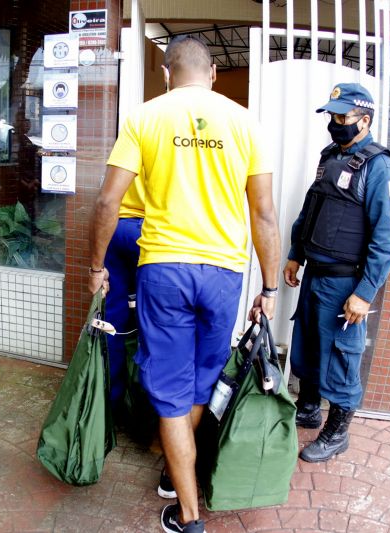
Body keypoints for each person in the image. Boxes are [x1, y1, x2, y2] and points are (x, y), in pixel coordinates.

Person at [88, 36, 281, 533]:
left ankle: (190, 515)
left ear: (168, 71)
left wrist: (96, 266)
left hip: (165, 269)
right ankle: (176, 480)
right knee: (199, 382)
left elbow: (108, 202)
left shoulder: (145, 117)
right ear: (213, 73)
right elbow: (263, 213)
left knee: (172, 391)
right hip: (224, 274)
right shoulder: (245, 123)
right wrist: (271, 288)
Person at [284, 83, 390, 463]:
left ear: (364, 121)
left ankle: (337, 433)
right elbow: (311, 209)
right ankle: (308, 408)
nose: (334, 123)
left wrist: (366, 292)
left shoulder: (380, 166)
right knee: (308, 345)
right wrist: (295, 254)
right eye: (331, 116)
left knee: (341, 356)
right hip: (315, 273)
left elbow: (387, 238)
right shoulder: (330, 156)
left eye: (342, 117)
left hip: (344, 283)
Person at [103, 175, 144, 409]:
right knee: (153, 322)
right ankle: (144, 405)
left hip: (117, 225)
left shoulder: (133, 138)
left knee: (112, 322)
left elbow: (107, 198)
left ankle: (111, 400)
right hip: (153, 230)